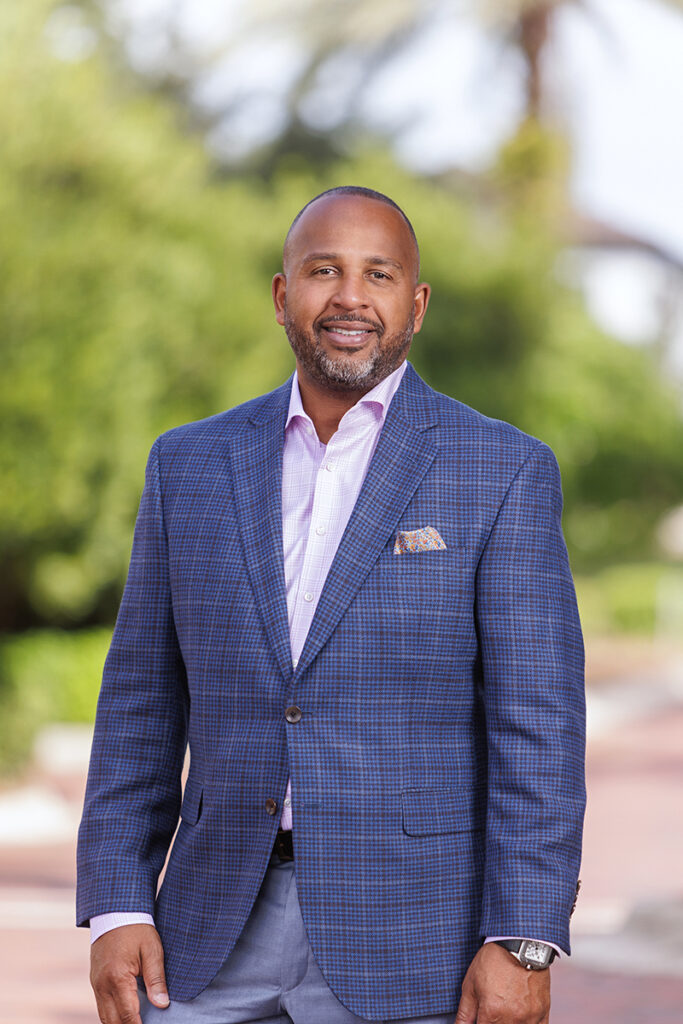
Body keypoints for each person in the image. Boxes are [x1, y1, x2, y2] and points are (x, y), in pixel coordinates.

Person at [77, 186, 586, 1024]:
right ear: (283, 296)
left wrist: (523, 937)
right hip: (204, 936)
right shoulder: (186, 465)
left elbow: (537, 727)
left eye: (378, 275)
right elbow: (140, 700)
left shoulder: (501, 470)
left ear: (415, 305)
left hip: (416, 942)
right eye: (323, 271)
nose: (350, 297)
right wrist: (117, 904)